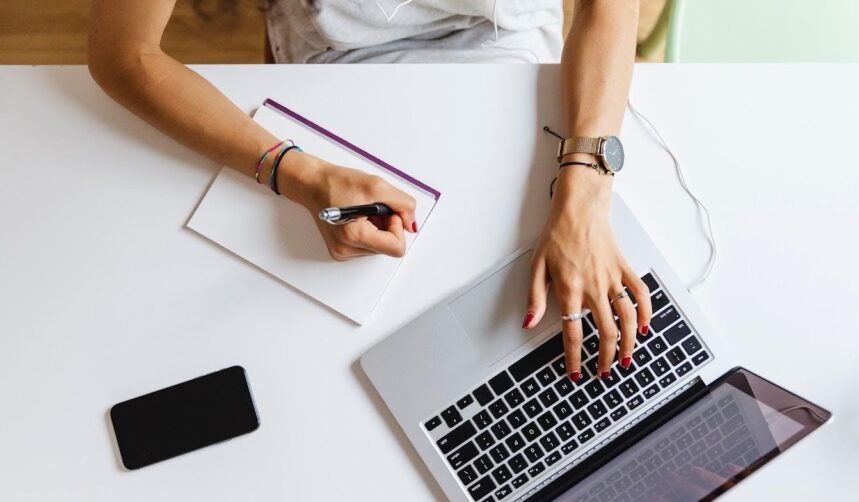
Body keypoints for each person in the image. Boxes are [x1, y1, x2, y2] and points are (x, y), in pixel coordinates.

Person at [88, 0, 653, 382]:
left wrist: (585, 187)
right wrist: (300, 174)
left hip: (515, 59)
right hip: (335, 69)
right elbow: (124, 54)